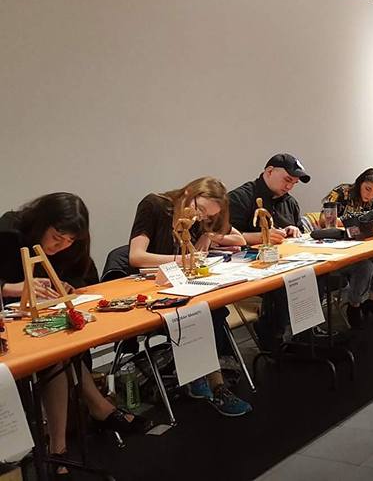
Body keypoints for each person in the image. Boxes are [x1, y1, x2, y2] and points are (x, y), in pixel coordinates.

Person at [0, 194, 152, 477]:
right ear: (42, 222)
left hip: (44, 323)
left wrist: (69, 286)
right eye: (57, 238)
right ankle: (95, 412)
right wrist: (11, 287)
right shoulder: (9, 231)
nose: (61, 246)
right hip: (11, 324)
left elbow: (84, 277)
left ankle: (61, 446)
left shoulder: (73, 245)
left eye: (69, 241)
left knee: (61, 348)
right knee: (55, 353)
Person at [127, 177, 252, 416]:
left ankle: (207, 379)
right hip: (153, 290)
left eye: (208, 216)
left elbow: (240, 239)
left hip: (186, 287)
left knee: (214, 308)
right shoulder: (155, 206)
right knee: (206, 312)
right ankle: (213, 383)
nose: (201, 217)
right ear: (188, 193)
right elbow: (136, 256)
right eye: (200, 209)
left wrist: (210, 235)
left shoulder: (201, 220)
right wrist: (184, 260)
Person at [228, 153, 310, 351]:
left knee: (316, 276)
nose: (289, 187)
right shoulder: (240, 198)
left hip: (288, 261)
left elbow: (299, 231)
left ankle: (305, 333)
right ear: (269, 171)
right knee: (284, 284)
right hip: (249, 266)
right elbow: (222, 237)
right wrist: (261, 237)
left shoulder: (289, 202)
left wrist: (294, 230)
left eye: (294, 183)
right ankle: (276, 340)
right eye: (287, 180)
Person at [323, 168, 373, 327]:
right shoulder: (342, 192)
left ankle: (372, 300)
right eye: (367, 189)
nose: (370, 195)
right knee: (365, 266)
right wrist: (352, 221)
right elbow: (325, 220)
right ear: (360, 182)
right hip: (340, 248)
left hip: (362, 244)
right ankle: (354, 306)